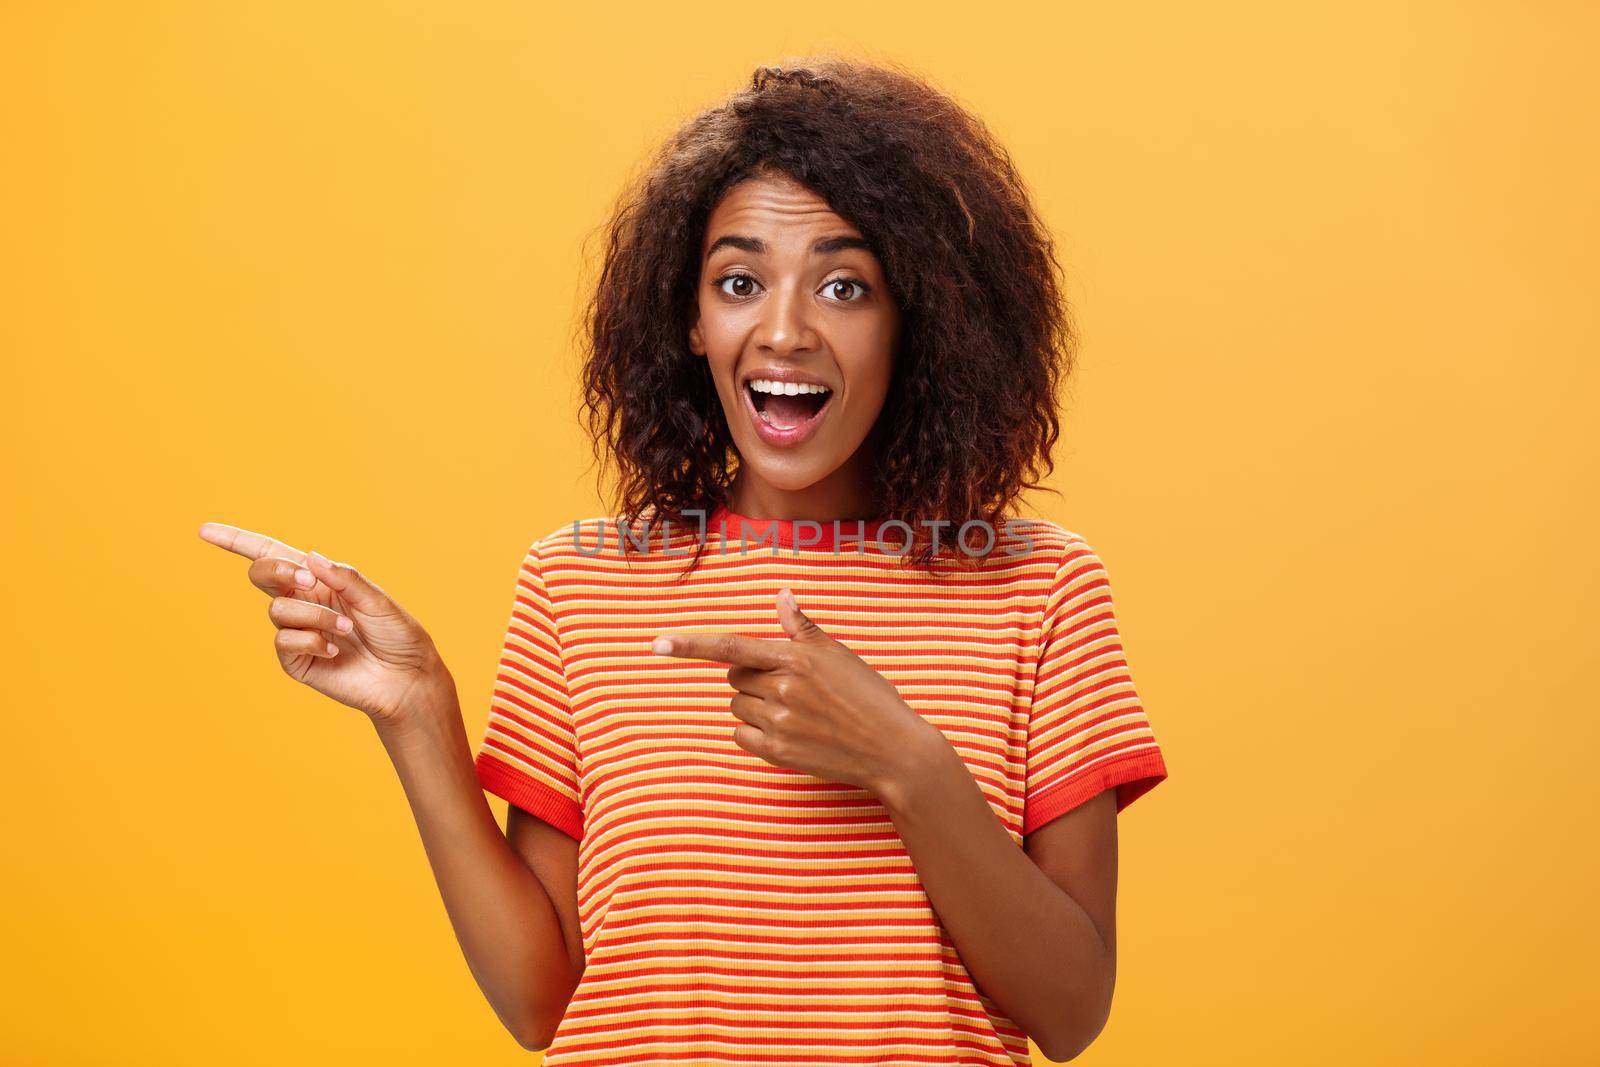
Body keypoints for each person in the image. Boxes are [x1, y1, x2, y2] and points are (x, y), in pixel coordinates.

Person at [199, 55, 1168, 1065]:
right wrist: (418, 712)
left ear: (915, 319)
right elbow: (542, 1002)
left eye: (844, 285)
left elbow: (1070, 1008)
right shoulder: (579, 584)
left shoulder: (1036, 584)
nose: (784, 331)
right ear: (692, 321)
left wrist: (904, 760)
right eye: (739, 281)